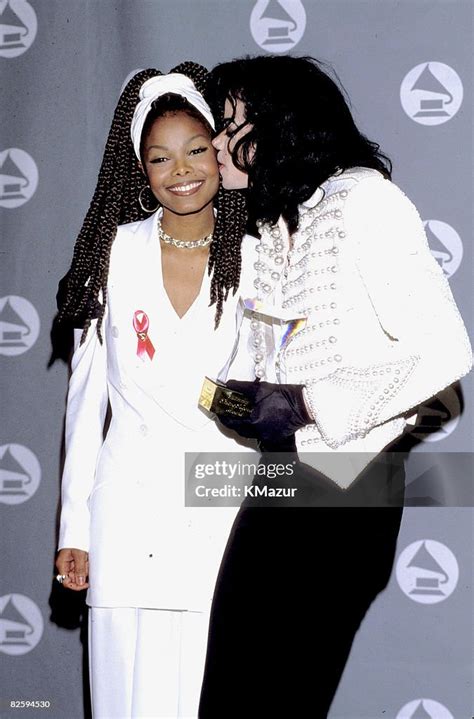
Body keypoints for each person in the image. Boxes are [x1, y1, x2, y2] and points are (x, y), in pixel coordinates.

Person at [198, 55, 473, 718]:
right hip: (281, 477)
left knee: (282, 694)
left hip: (350, 486)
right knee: (230, 693)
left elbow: (443, 346)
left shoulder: (365, 199)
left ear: (281, 127)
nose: (213, 143)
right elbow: (267, 357)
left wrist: (306, 402)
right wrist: (233, 393)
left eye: (230, 124)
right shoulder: (270, 222)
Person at [54, 61, 252, 719]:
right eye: (161, 157)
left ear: (222, 155)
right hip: (127, 515)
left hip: (219, 510)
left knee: (211, 690)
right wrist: (74, 526)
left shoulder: (259, 255)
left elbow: (268, 398)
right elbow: (84, 408)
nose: (183, 169)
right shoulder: (110, 253)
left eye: (197, 149)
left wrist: (205, 397)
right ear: (140, 169)